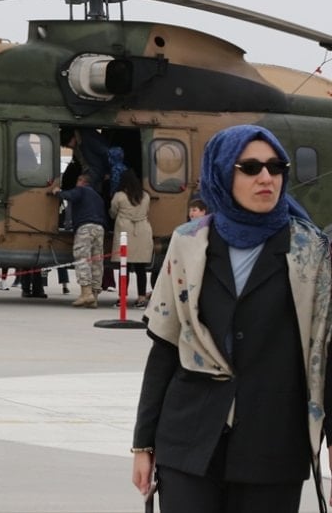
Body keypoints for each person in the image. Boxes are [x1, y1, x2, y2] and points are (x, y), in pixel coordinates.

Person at [132, 125, 332, 513]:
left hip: (273, 447)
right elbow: (165, 350)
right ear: (224, 172)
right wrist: (144, 444)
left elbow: (325, 353)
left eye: (276, 167)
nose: (266, 178)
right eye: (251, 167)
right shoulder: (188, 244)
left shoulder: (311, 253)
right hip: (188, 441)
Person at [50, 172, 106, 308]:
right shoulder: (98, 197)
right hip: (99, 229)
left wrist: (57, 192)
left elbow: (68, 196)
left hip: (85, 228)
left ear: (82, 181)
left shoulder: (81, 190)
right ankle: (94, 296)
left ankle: (86, 293)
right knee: (97, 262)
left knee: (83, 258)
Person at [109, 171, 153, 308]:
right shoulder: (145, 196)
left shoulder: (119, 196)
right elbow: (147, 211)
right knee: (141, 268)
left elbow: (113, 212)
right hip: (142, 230)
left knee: (124, 267)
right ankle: (141, 298)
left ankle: (122, 298)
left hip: (125, 231)